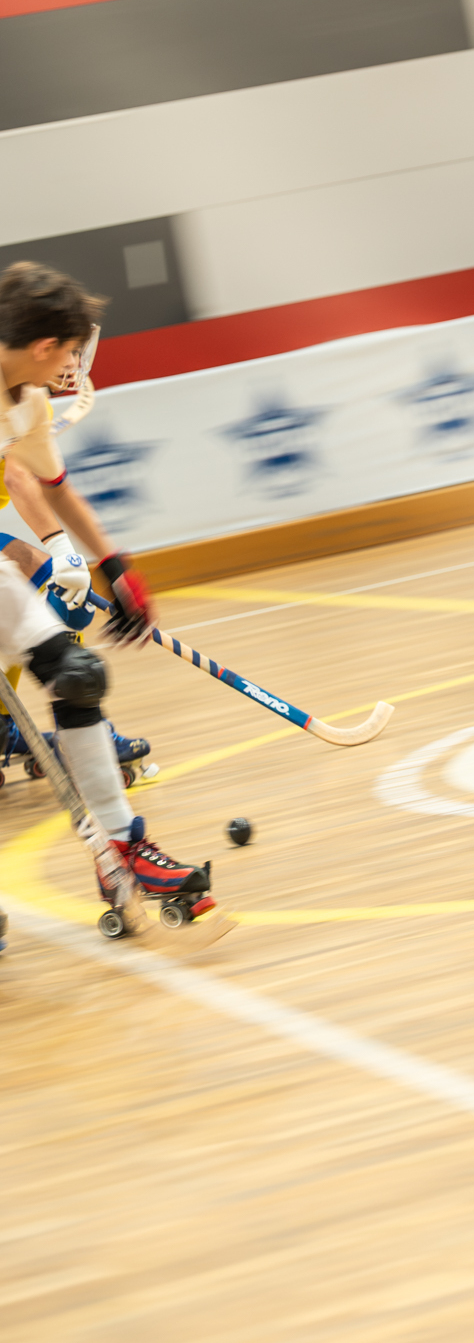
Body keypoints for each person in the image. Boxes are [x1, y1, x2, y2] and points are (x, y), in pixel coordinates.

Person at [0, 260, 215, 929]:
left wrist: (114, 564)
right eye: (69, 350)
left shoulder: (25, 401)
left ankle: (122, 849)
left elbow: (50, 483)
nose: (75, 364)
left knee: (78, 674)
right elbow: (18, 482)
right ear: (44, 347)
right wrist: (45, 549)